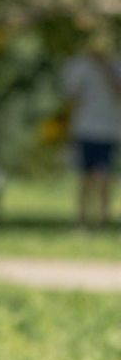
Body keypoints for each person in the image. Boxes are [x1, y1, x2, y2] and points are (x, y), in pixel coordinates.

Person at [61, 39, 120, 229]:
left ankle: (104, 220)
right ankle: (81, 221)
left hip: (108, 130)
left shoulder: (116, 66)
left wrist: (105, 69)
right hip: (85, 129)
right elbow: (72, 97)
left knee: (104, 177)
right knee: (84, 178)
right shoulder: (80, 67)